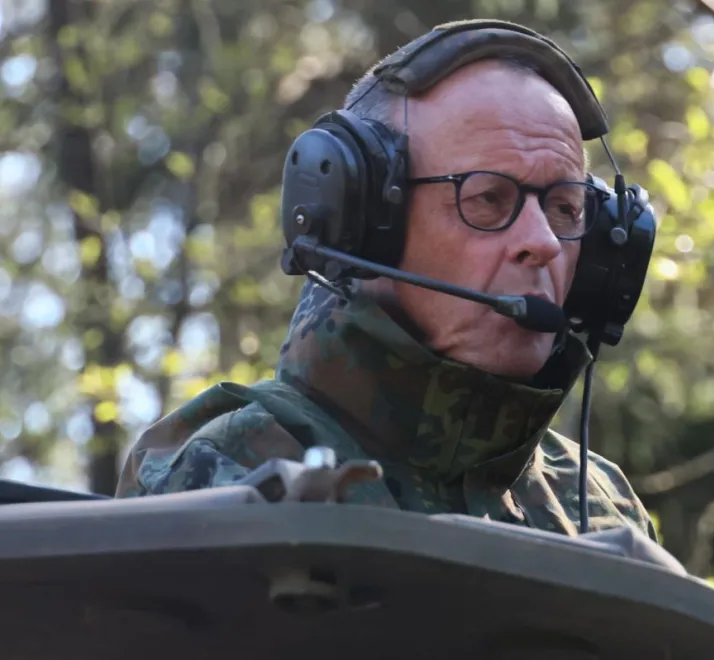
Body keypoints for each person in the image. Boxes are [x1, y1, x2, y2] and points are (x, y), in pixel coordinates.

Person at [114, 23, 658, 541]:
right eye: (488, 198)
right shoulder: (234, 469)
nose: (542, 242)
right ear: (364, 224)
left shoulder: (606, 509)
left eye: (565, 208)